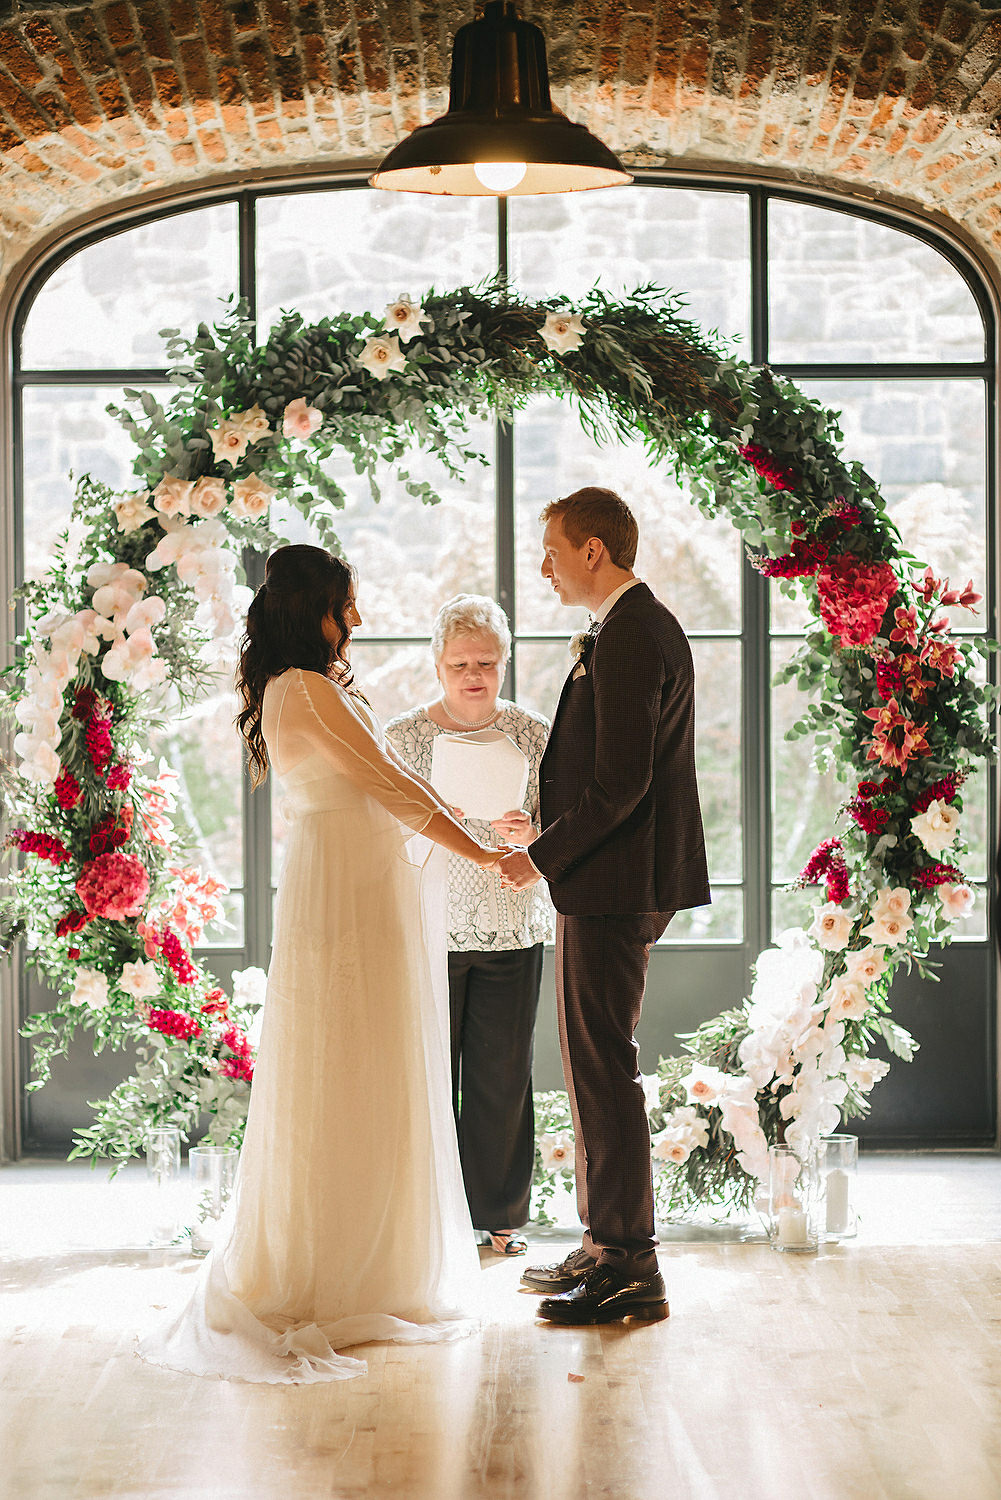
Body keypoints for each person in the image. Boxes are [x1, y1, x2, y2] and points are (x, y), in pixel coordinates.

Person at [138, 545, 506, 1384]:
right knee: (349, 1066)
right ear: (314, 610)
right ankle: (341, 1272)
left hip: (350, 886)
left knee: (359, 1067)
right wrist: (485, 855)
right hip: (345, 897)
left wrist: (475, 833)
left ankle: (372, 1264)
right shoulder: (303, 689)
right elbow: (389, 784)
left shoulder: (301, 686)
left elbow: (398, 780)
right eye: (347, 604)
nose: (359, 618)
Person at [499, 488, 710, 1327]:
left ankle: (629, 1263)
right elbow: (610, 775)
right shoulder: (625, 628)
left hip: (616, 882)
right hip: (608, 876)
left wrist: (538, 857)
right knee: (592, 1064)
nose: (543, 567)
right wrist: (547, 834)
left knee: (602, 1067)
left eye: (552, 550)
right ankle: (602, 1246)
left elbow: (622, 784)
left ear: (594, 550)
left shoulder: (630, 633)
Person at [386, 595, 553, 1257]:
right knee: (425, 1075)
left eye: (485, 662)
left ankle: (500, 1218)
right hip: (428, 929)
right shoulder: (404, 737)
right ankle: (427, 1217)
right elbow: (381, 831)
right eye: (459, 664)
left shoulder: (534, 733)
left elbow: (565, 827)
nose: (473, 675)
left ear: (504, 662)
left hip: (512, 925)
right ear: (437, 665)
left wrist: (532, 834)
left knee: (502, 1078)